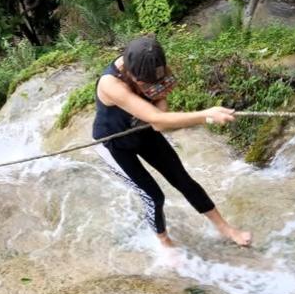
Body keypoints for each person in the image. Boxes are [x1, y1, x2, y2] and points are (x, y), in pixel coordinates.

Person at [93, 35, 251, 248]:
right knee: (153, 196)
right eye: (144, 83)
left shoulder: (158, 67)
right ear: (129, 71)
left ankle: (225, 228)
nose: (149, 86)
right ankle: (164, 241)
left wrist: (160, 96)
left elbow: (158, 119)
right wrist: (207, 115)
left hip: (145, 131)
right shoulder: (111, 84)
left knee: (183, 179)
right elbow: (158, 119)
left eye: (154, 82)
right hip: (114, 145)